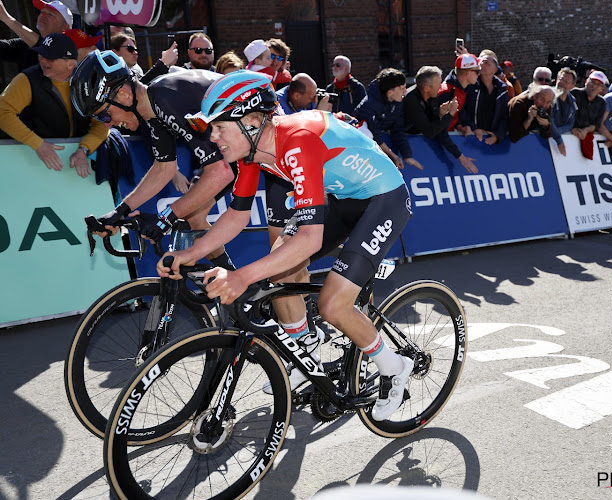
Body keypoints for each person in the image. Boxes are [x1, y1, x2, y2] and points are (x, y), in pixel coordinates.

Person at [158, 71, 415, 421]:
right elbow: (236, 216)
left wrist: (242, 277)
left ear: (251, 121)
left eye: (219, 126)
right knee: (281, 263)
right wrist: (189, 254)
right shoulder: (253, 153)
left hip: (383, 198)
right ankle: (304, 350)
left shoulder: (297, 139)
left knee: (332, 305)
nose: (212, 137)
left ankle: (394, 366)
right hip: (344, 196)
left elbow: (310, 238)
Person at [70, 49, 236, 268]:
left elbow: (221, 172)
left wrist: (165, 218)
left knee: (285, 274)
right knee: (194, 217)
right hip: (240, 149)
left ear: (124, 96)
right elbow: (164, 168)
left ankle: (238, 285)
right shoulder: (154, 108)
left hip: (269, 147)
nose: (107, 124)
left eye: (104, 114)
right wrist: (119, 212)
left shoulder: (167, 97)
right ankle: (231, 286)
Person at [0, 33, 107, 178]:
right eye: (41, 54)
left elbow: (102, 123)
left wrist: (84, 149)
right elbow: (2, 112)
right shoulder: (26, 79)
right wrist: (38, 144)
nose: (42, 60)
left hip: (75, 169)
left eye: (50, 57)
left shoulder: (89, 82)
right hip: (29, 163)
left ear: (70, 63)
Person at [403, 65, 476, 173]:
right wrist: (450, 114)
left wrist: (441, 115)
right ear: (427, 88)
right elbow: (430, 132)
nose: (440, 87)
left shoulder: (433, 95)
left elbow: (439, 130)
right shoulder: (411, 100)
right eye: (438, 84)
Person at [354, 67, 422, 170]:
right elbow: (375, 137)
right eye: (401, 88)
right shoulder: (369, 106)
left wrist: (407, 155)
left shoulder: (397, 101)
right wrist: (394, 156)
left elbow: (398, 129)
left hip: (378, 148)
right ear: (390, 92)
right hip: (358, 151)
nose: (405, 92)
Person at [0, 0, 71, 71]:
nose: (43, 16)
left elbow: (46, 48)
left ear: (65, 27)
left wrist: (6, 17)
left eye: (50, 14)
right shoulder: (24, 44)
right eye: (42, 12)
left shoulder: (67, 50)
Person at [459, 51, 509, 145]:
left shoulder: (502, 90)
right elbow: (462, 109)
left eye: (486, 63)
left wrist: (497, 135)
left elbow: (505, 116)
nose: (482, 64)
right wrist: (474, 127)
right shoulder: (470, 85)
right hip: (471, 137)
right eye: (480, 62)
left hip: (492, 140)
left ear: (494, 70)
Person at [111, 32, 178, 84]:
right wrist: (163, 63)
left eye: (136, 50)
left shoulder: (135, 73)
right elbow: (136, 90)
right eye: (130, 49)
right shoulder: (112, 76)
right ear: (115, 52)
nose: (135, 52)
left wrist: (167, 65)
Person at [438, 53, 481, 132]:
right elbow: (440, 124)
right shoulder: (447, 92)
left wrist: (459, 126)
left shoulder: (460, 88)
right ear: (468, 73)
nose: (479, 74)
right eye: (477, 71)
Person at [570, 70, 607, 160]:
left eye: (598, 84)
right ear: (586, 82)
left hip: (584, 135)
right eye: (592, 82)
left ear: (601, 89)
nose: (594, 86)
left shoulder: (602, 103)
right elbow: (566, 115)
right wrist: (572, 128)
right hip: (568, 134)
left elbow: (597, 124)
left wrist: (586, 130)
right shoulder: (574, 94)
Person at [549, 67, 578, 156]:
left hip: (556, 139)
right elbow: (550, 119)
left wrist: (559, 130)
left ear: (572, 86)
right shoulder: (548, 96)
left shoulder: (572, 101)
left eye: (567, 82)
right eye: (561, 80)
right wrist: (559, 139)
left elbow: (570, 123)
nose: (562, 83)